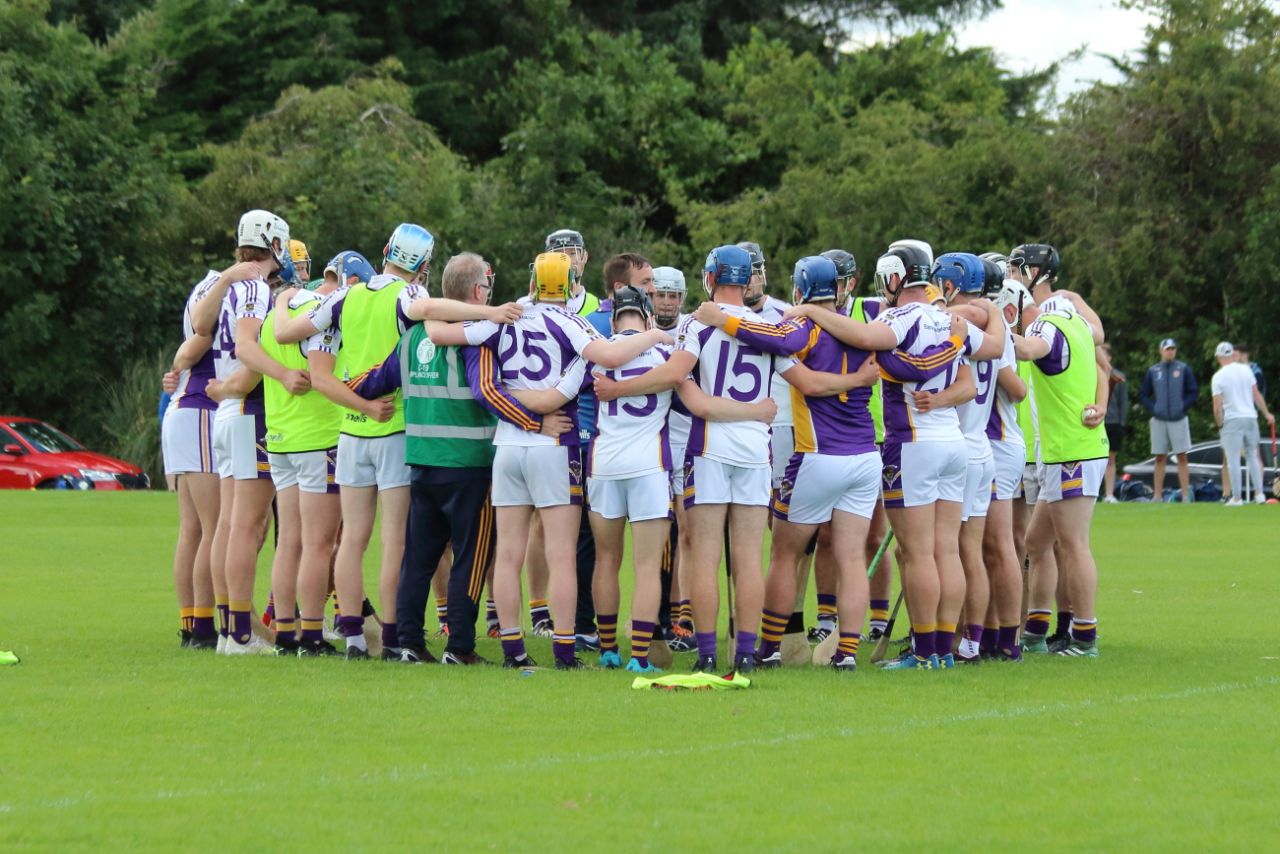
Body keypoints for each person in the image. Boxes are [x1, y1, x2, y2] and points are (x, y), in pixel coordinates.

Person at [273, 223, 508, 659]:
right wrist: (491, 313)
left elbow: (286, 334)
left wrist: (284, 298)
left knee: (352, 539)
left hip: (348, 430)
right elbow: (437, 313)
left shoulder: (346, 296)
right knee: (395, 541)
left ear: (384, 251)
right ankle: (396, 639)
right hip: (396, 428)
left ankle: (353, 638)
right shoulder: (410, 297)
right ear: (423, 266)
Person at [431, 251, 670, 669]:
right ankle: (563, 652)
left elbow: (439, 333)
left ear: (534, 282)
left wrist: (513, 392)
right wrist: (655, 336)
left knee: (508, 553)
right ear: (570, 283)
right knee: (561, 553)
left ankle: (513, 651)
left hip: (508, 444)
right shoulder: (570, 321)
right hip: (553, 444)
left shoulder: (505, 315)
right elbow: (611, 357)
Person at [784, 242, 1004, 670]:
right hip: (954, 443)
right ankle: (943, 649)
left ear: (892, 277)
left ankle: (925, 652)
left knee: (919, 554)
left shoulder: (897, 317)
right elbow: (993, 348)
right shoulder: (948, 317)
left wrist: (812, 311)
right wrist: (993, 312)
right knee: (947, 551)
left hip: (912, 444)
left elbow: (864, 337)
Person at [696, 256, 910, 671]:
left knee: (784, 554)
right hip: (865, 456)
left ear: (800, 289)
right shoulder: (862, 328)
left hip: (818, 454)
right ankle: (847, 653)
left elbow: (786, 349)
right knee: (851, 557)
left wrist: (723, 320)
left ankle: (771, 646)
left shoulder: (806, 327)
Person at [349, 252, 560, 664]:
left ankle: (408, 642)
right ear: (479, 291)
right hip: (469, 465)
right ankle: (460, 647)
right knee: (470, 559)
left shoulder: (410, 338)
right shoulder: (476, 335)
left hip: (422, 462)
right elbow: (487, 391)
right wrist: (535, 422)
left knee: (419, 559)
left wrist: (338, 383)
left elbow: (371, 382)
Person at [592, 245, 788, 673]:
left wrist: (618, 388)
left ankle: (707, 654)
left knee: (704, 557)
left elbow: (675, 379)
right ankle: (747, 654)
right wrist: (757, 411)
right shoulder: (770, 326)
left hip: (709, 449)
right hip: (757, 450)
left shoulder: (698, 325)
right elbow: (798, 366)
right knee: (750, 557)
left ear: (711, 279)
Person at [260, 250, 377, 656]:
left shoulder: (283, 306)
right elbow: (323, 372)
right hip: (318, 436)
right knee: (319, 544)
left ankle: (287, 634)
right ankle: (312, 633)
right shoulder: (324, 310)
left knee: (289, 540)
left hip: (279, 435)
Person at [1013, 300, 1110, 658]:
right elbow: (1102, 368)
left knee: (1073, 545)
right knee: (1036, 542)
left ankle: (1085, 638)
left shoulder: (1046, 325)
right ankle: (1036, 632)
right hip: (1064, 452)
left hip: (1071, 453)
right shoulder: (1080, 325)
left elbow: (1027, 348)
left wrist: (987, 330)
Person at [932, 253, 1008, 664]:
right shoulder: (990, 327)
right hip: (981, 449)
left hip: (952, 446)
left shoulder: (947, 323)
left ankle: (936, 640)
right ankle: (970, 643)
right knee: (970, 553)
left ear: (948, 285)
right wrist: (992, 309)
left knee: (940, 550)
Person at [161, 268, 223, 649]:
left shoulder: (209, 283)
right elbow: (195, 342)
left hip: (185, 410)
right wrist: (178, 368)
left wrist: (175, 372)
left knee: (194, 529)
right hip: (199, 410)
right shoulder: (225, 287)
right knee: (213, 527)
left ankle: (191, 623)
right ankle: (202, 625)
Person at [1212, 342, 1274, 505]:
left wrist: (1220, 425)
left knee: (1233, 460)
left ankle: (1237, 497)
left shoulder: (1218, 376)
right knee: (1252, 456)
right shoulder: (1246, 370)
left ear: (1219, 357)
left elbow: (1217, 407)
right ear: (1232, 354)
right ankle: (1259, 494)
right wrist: (1267, 414)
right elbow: (1257, 395)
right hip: (1250, 417)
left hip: (1232, 419)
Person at [1139, 338, 1198, 503]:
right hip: (1159, 419)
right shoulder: (1153, 371)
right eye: (1167, 349)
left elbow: (1193, 391)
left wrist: (1183, 406)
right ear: (1161, 351)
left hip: (1178, 419)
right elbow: (1143, 394)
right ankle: (1157, 495)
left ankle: (1186, 495)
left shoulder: (1183, 368)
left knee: (1182, 456)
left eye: (1172, 349)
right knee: (1160, 457)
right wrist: (1154, 407)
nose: (1170, 351)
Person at [1101, 343, 1128, 503]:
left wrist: (1122, 423)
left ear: (1109, 357)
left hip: (1113, 422)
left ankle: (1109, 494)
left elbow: (1123, 403)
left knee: (1110, 459)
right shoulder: (1089, 373)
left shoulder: (1118, 376)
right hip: (1095, 422)